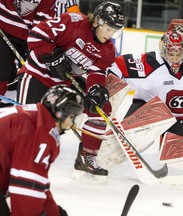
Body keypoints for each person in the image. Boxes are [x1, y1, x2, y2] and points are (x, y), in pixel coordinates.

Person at [16, 1, 125, 177]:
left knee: (101, 106)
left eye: (114, 30)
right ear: (97, 21)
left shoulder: (107, 50)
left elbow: (96, 73)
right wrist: (51, 55)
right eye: (108, 28)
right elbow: (35, 34)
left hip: (63, 86)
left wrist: (96, 89)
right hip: (36, 75)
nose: (110, 34)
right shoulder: (74, 22)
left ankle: (87, 156)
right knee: (29, 123)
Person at [108, 30, 183, 141]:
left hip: (182, 117)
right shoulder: (148, 63)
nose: (175, 58)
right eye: (171, 53)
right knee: (126, 141)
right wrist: (101, 87)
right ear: (162, 49)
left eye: (179, 53)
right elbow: (116, 66)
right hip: (148, 110)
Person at [0, 84, 84, 216]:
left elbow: (37, 183)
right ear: (60, 113)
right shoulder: (40, 132)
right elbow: (26, 188)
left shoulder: (33, 116)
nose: (72, 123)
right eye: (73, 117)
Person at [0, 0, 56, 106]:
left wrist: (36, 40)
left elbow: (42, 22)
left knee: (24, 72)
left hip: (25, 35)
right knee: (2, 67)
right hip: (2, 25)